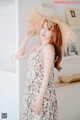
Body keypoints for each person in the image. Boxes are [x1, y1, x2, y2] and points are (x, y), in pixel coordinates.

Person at [16, 18, 62, 120]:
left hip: (41, 95)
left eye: (48, 29)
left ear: (54, 33)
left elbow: (47, 76)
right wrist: (27, 37)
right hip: (31, 92)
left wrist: (40, 99)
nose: (44, 31)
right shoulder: (36, 47)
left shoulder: (49, 48)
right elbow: (18, 56)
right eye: (43, 27)